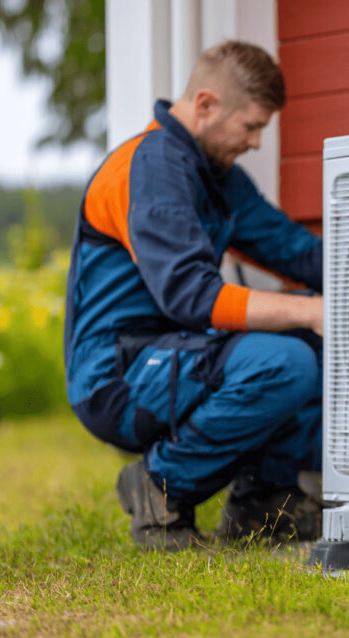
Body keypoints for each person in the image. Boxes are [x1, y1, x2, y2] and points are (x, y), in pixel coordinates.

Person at [64, 41, 324, 550]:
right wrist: (313, 310)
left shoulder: (217, 177)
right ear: (206, 105)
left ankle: (262, 502)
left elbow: (296, 251)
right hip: (114, 374)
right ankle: (160, 489)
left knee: (306, 342)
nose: (255, 142)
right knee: (287, 358)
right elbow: (193, 297)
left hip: (178, 352)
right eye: (251, 126)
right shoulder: (150, 165)